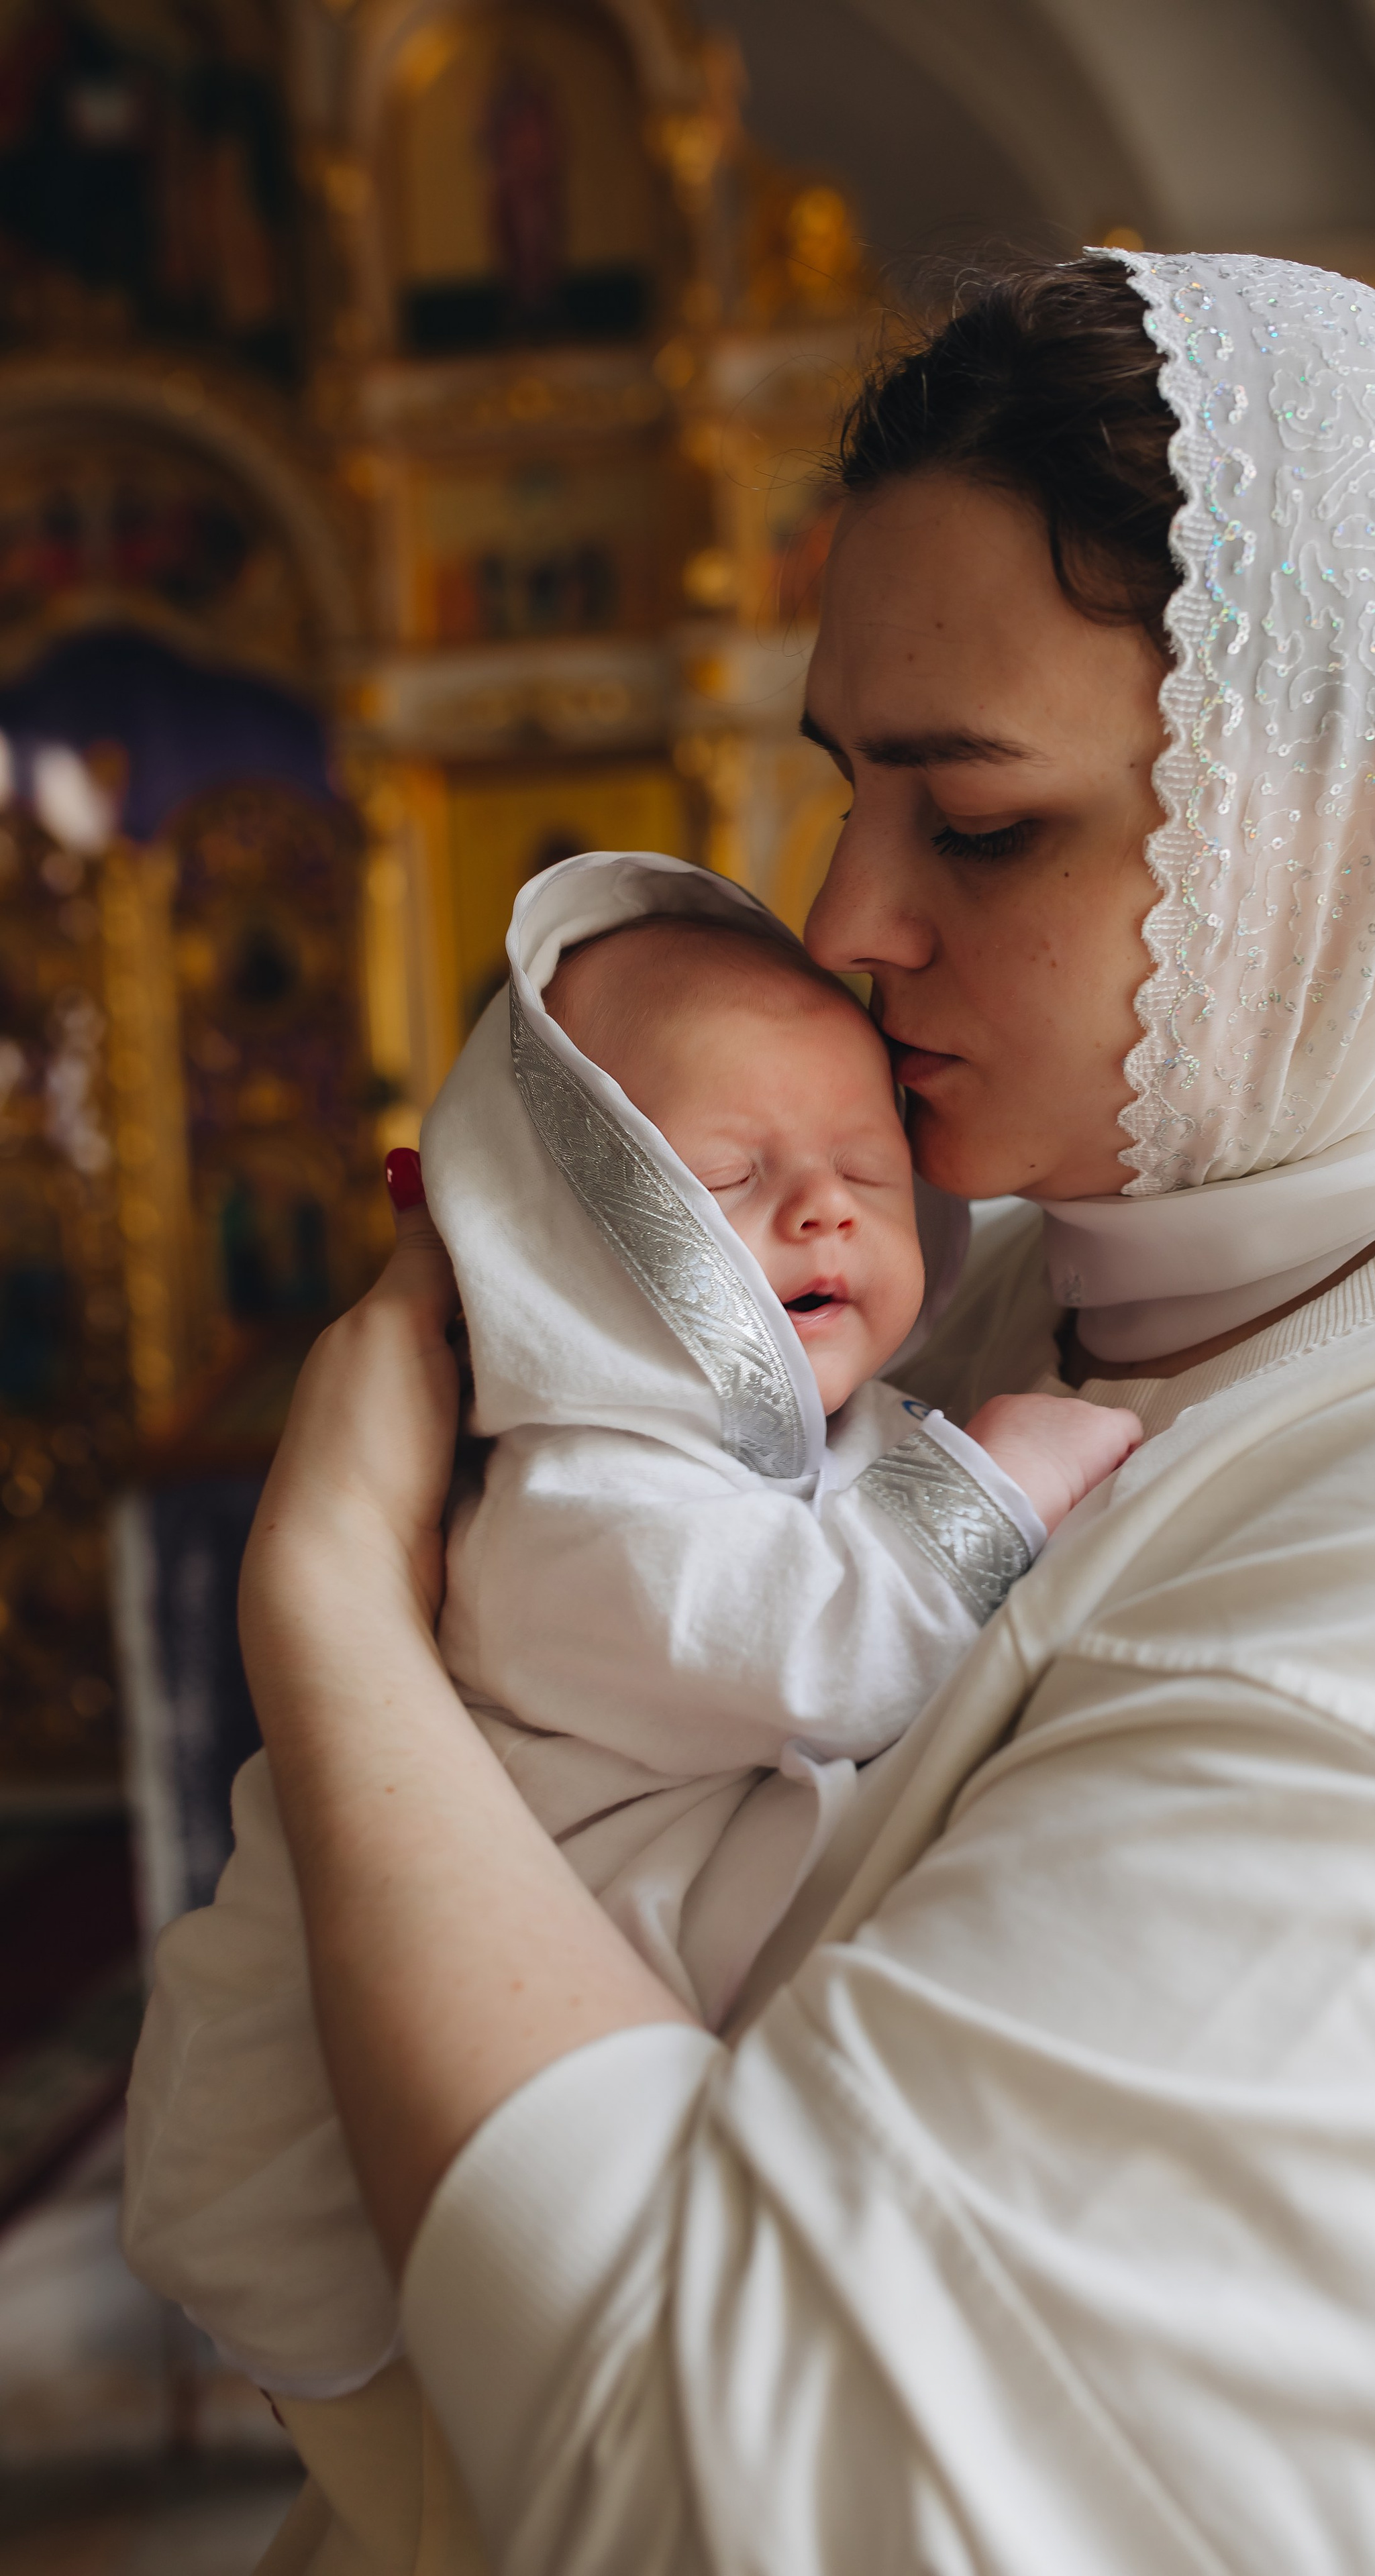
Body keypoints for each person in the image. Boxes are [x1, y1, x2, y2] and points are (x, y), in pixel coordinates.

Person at [232, 250, 1375, 2575]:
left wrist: (327, 1617)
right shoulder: (992, 1288)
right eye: (843, 793)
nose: (841, 924)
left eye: (982, 825)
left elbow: (765, 2500)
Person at [121, 851, 1134, 2407]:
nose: (816, 1208)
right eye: (725, 1179)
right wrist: (1001, 1480)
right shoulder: (576, 1502)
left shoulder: (822, 1432)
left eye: (868, 1170)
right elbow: (824, 1648)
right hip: (382, 2125)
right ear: (561, 1237)